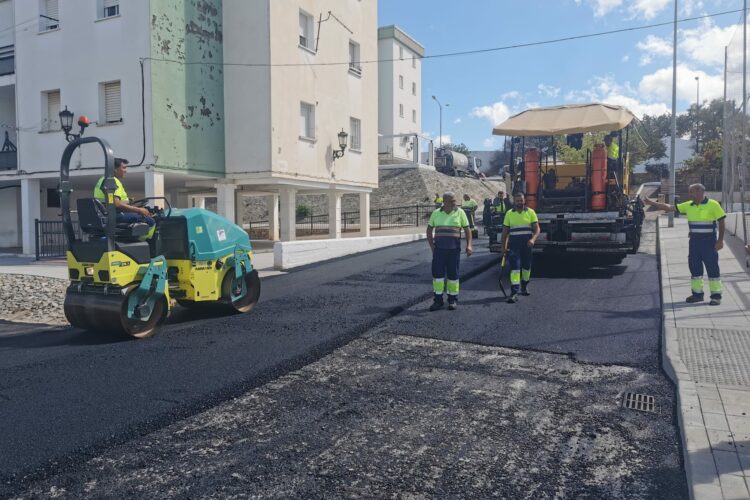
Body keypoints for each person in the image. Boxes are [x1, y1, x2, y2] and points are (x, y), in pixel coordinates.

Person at [643, 183, 726, 305]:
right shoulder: (688, 205)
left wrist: (720, 240)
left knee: (712, 268)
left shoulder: (713, 204)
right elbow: (669, 207)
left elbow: (722, 221)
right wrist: (652, 203)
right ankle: (697, 295)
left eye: (691, 191)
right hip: (694, 242)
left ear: (699, 192)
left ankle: (716, 296)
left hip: (709, 242)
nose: (689, 194)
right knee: (694, 268)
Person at [427, 192, 473, 311]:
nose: (454, 203)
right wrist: (432, 246)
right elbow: (429, 229)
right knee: (438, 276)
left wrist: (469, 245)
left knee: (453, 276)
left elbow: (467, 230)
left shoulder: (460, 212)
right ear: (445, 202)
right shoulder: (436, 213)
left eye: (455, 201)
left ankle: (452, 300)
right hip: (439, 251)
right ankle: (438, 300)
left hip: (454, 251)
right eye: (452, 201)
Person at [93, 157, 155, 238]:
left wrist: (129, 202)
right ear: (115, 169)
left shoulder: (102, 180)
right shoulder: (112, 181)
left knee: (137, 215)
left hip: (105, 214)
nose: (126, 170)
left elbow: (111, 201)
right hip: (114, 215)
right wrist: (139, 210)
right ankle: (143, 243)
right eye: (124, 168)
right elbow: (116, 204)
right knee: (150, 221)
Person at [500, 192, 540, 303]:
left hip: (526, 245)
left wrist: (533, 239)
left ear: (524, 200)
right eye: (517, 201)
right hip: (514, 246)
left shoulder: (531, 212)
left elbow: (537, 229)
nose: (519, 202)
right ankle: (514, 292)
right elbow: (505, 232)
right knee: (515, 269)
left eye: (521, 200)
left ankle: (524, 286)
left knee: (526, 267)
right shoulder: (509, 214)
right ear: (514, 201)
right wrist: (503, 247)